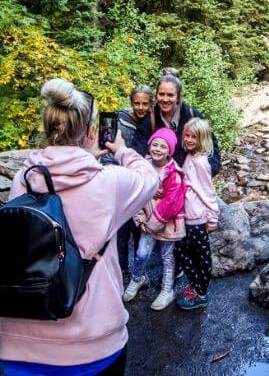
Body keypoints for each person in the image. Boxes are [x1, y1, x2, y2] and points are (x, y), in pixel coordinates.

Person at [0, 78, 158, 374]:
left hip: (16, 342)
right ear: (90, 131)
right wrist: (121, 150)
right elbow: (149, 178)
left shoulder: (25, 176)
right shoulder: (109, 182)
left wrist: (84, 157)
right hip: (91, 345)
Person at [123, 128, 186, 311]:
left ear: (170, 151)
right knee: (141, 253)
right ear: (149, 145)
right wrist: (141, 218)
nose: (158, 149)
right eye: (155, 144)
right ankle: (138, 279)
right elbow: (135, 193)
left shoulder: (173, 174)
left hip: (166, 223)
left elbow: (171, 203)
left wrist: (152, 224)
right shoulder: (142, 166)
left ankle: (167, 291)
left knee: (167, 257)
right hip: (146, 221)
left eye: (163, 146)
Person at [175, 118, 220, 310]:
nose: (189, 139)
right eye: (187, 135)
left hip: (197, 218)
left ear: (202, 139)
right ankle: (196, 285)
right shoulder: (189, 156)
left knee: (199, 256)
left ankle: (201, 293)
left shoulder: (201, 161)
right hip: (188, 216)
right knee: (187, 253)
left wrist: (213, 218)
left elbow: (208, 192)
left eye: (194, 136)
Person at [115, 85, 155, 284]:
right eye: (137, 103)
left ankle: (140, 273)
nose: (140, 107)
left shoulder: (154, 122)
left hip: (142, 182)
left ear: (151, 104)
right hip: (122, 181)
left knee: (140, 229)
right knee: (121, 231)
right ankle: (122, 271)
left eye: (145, 104)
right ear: (131, 103)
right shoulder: (120, 118)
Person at [153, 69, 221, 176]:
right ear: (156, 95)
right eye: (161, 94)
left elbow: (211, 148)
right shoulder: (151, 119)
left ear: (178, 97)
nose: (165, 99)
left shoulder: (192, 115)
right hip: (161, 182)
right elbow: (140, 151)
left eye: (170, 95)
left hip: (191, 182)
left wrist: (206, 172)